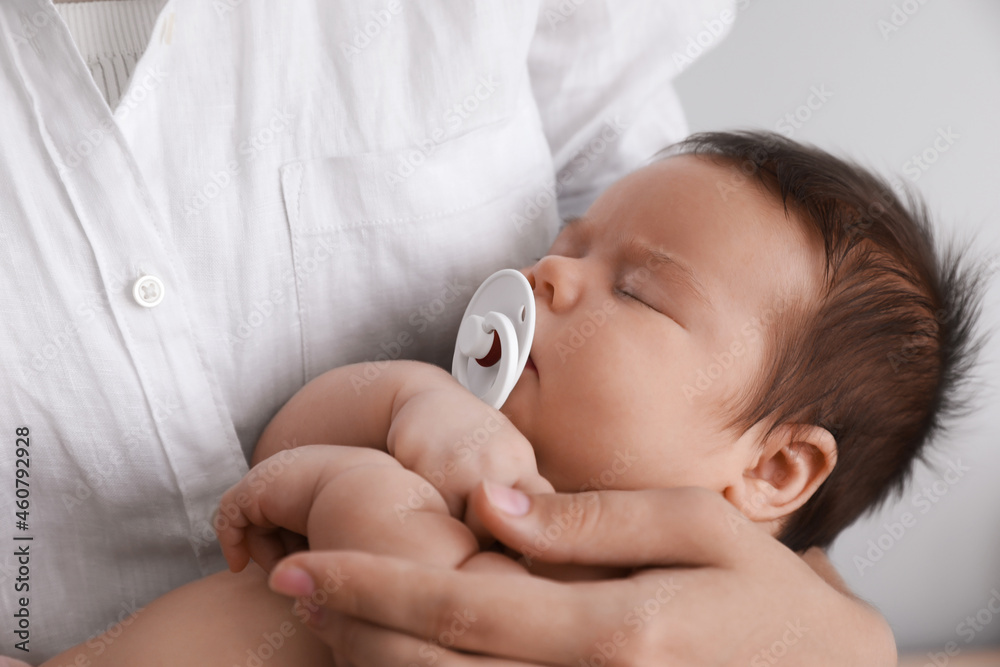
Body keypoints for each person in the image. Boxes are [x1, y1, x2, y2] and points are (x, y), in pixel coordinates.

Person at [0, 0, 897, 663]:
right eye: (566, 243)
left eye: (637, 291)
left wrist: (352, 486)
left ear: (777, 469)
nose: (550, 272)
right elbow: (285, 448)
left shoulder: (669, 606)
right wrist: (403, 402)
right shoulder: (460, 446)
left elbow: (391, 560)